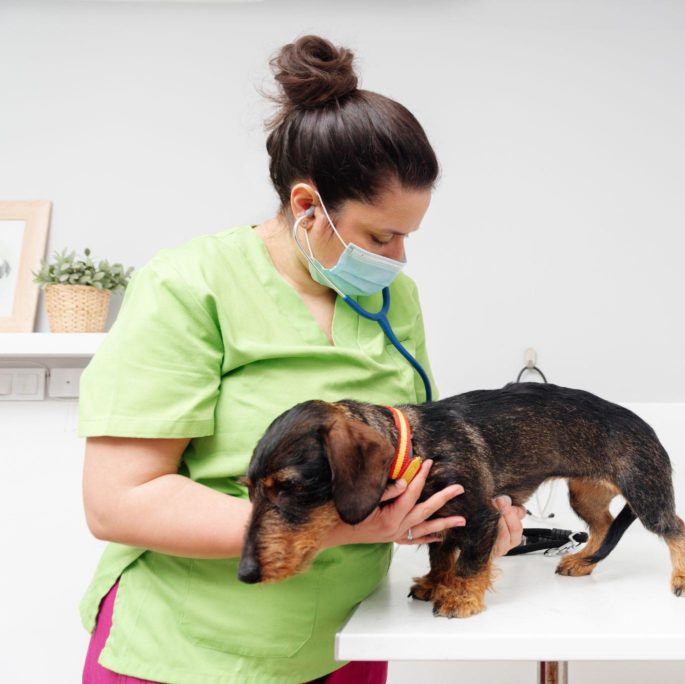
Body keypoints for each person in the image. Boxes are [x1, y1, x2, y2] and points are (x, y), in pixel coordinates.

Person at [79, 35, 525, 684]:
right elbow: (118, 503)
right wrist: (348, 531)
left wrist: (475, 515)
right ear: (307, 207)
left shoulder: (394, 299)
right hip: (187, 652)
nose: (399, 258)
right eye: (381, 235)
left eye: (408, 235)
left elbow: (409, 459)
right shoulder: (188, 284)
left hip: (345, 645)